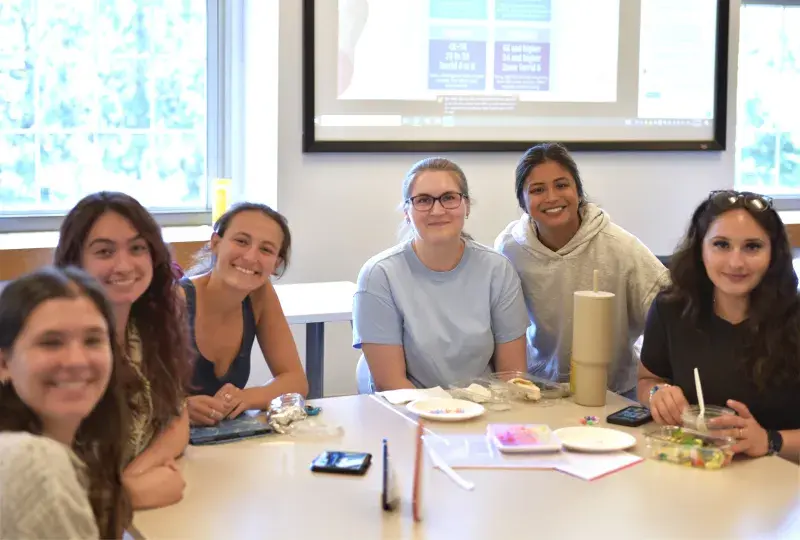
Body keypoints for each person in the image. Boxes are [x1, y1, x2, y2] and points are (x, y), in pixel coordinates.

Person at [495, 142, 669, 399]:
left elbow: (669, 311)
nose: (552, 197)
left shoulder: (620, 247)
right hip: (540, 391)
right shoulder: (510, 248)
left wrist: (658, 383)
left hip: (615, 392)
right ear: (522, 202)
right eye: (538, 189)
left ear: (578, 191)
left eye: (562, 185)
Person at [638, 191, 800, 461]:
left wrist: (771, 440)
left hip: (781, 484)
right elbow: (648, 379)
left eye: (752, 246)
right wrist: (657, 394)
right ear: (701, 250)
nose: (736, 262)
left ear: (773, 254)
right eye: (721, 245)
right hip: (693, 470)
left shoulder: (794, 317)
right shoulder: (672, 308)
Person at [54, 192, 190, 509]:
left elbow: (177, 419)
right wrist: (127, 496)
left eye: (137, 248)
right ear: (76, 261)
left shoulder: (145, 329)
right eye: (104, 251)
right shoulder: (54, 347)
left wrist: (134, 474)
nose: (124, 264)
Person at [353, 157, 529, 391]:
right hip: (411, 415)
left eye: (449, 198)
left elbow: (512, 376)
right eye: (423, 200)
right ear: (407, 212)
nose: (437, 210)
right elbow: (392, 385)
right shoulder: (379, 276)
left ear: (466, 206)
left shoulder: (498, 270)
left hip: (486, 410)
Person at [0, 266, 130, 539]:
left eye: (93, 340)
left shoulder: (72, 448)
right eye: (51, 343)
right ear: (4, 363)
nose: (76, 361)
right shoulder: (34, 462)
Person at [181, 203, 308, 425]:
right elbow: (130, 397)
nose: (250, 257)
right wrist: (179, 408)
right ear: (215, 243)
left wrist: (246, 398)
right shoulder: (177, 300)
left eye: (266, 250)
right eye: (241, 241)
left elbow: (296, 381)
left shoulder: (260, 294)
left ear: (276, 264)